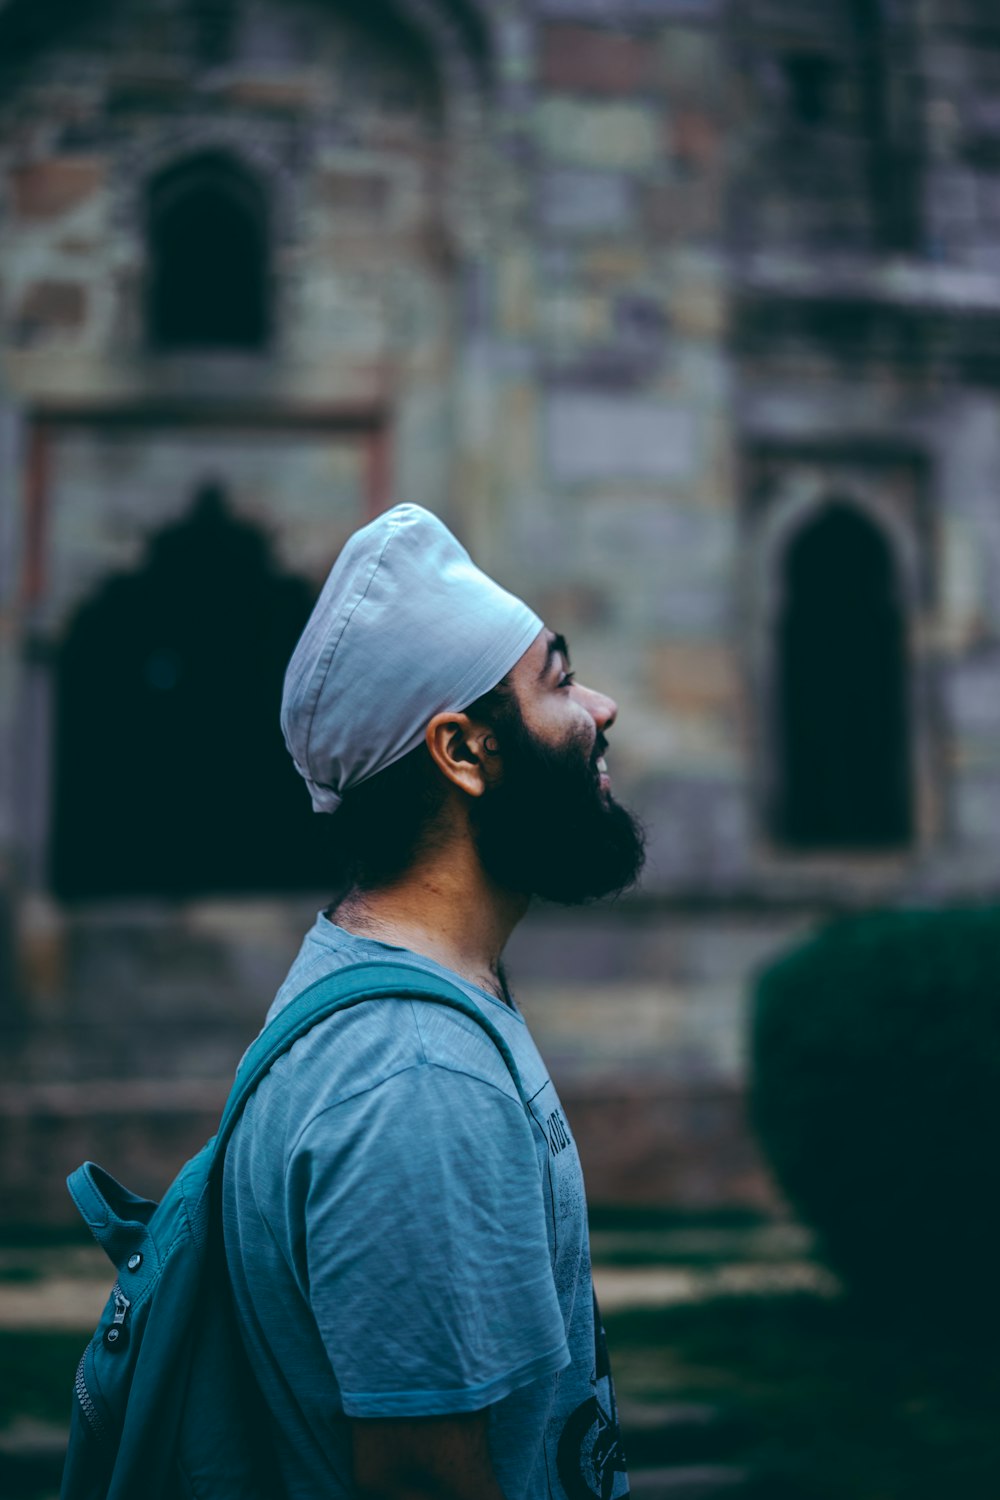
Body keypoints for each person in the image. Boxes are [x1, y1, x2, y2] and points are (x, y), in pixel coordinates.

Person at [223, 504, 645, 1500]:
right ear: (464, 752)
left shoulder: (407, 1005)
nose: (603, 707)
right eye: (558, 682)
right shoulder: (415, 1078)